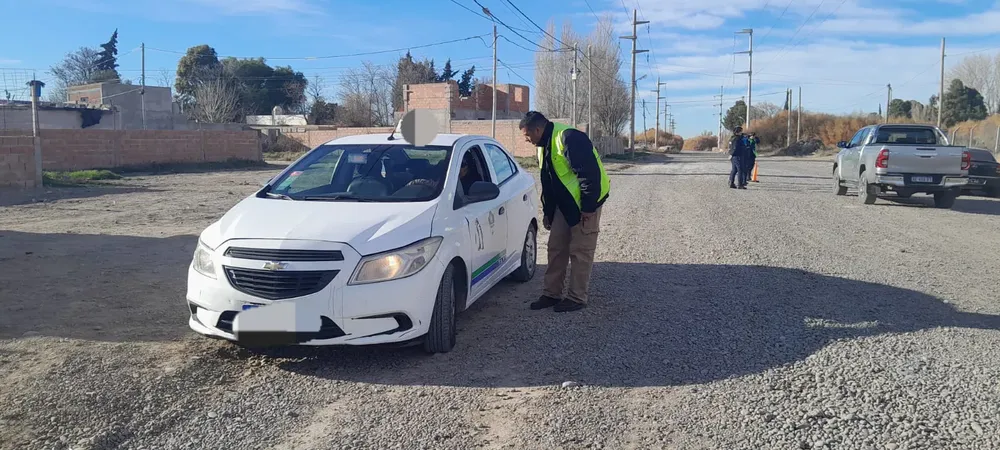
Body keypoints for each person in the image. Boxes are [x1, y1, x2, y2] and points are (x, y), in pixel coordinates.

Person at [518, 111, 610, 312]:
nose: (527, 140)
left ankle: (577, 298)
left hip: (586, 203)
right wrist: (549, 213)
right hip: (564, 203)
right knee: (556, 248)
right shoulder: (543, 146)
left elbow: (589, 174)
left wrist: (588, 208)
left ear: (538, 129)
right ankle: (551, 294)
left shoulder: (569, 138)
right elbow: (548, 182)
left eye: (527, 136)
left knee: (580, 251)